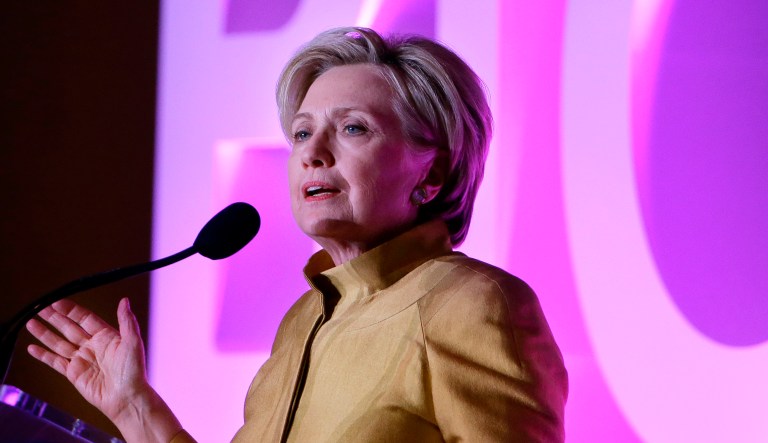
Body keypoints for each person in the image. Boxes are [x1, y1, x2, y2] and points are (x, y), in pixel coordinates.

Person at [26, 27, 568, 442]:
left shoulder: (473, 305)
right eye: (303, 132)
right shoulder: (302, 324)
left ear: (431, 174)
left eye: (353, 128)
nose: (312, 152)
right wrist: (133, 408)